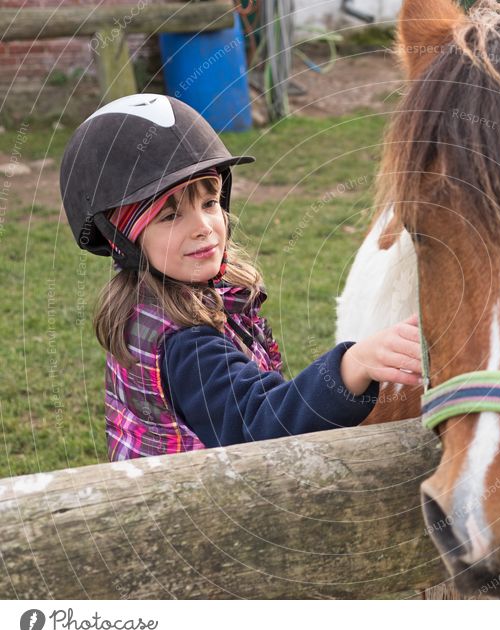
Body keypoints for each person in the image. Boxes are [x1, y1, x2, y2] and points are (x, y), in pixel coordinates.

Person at [60, 93, 421, 461]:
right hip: (194, 509)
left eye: (209, 203)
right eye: (171, 217)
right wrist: (352, 365)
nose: (203, 227)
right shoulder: (183, 344)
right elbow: (256, 422)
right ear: (124, 239)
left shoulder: (176, 296)